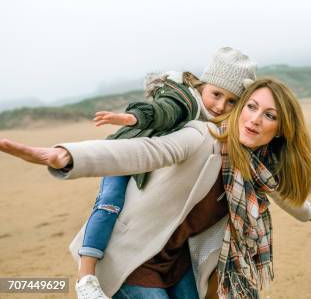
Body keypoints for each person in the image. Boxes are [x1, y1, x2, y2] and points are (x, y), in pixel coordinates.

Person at [0, 78, 311, 299]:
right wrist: (69, 156)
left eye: (269, 115)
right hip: (134, 258)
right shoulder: (202, 137)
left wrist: (308, 212)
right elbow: (142, 151)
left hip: (178, 263)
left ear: (281, 129)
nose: (255, 119)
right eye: (252, 106)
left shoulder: (257, 169)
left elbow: (282, 193)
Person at [78, 46, 256, 297]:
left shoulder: (216, 127)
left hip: (156, 177)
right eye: (216, 94)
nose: (220, 105)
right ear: (203, 85)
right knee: (109, 204)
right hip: (126, 153)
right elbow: (165, 111)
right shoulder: (185, 100)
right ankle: (86, 277)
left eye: (231, 101)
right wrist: (136, 118)